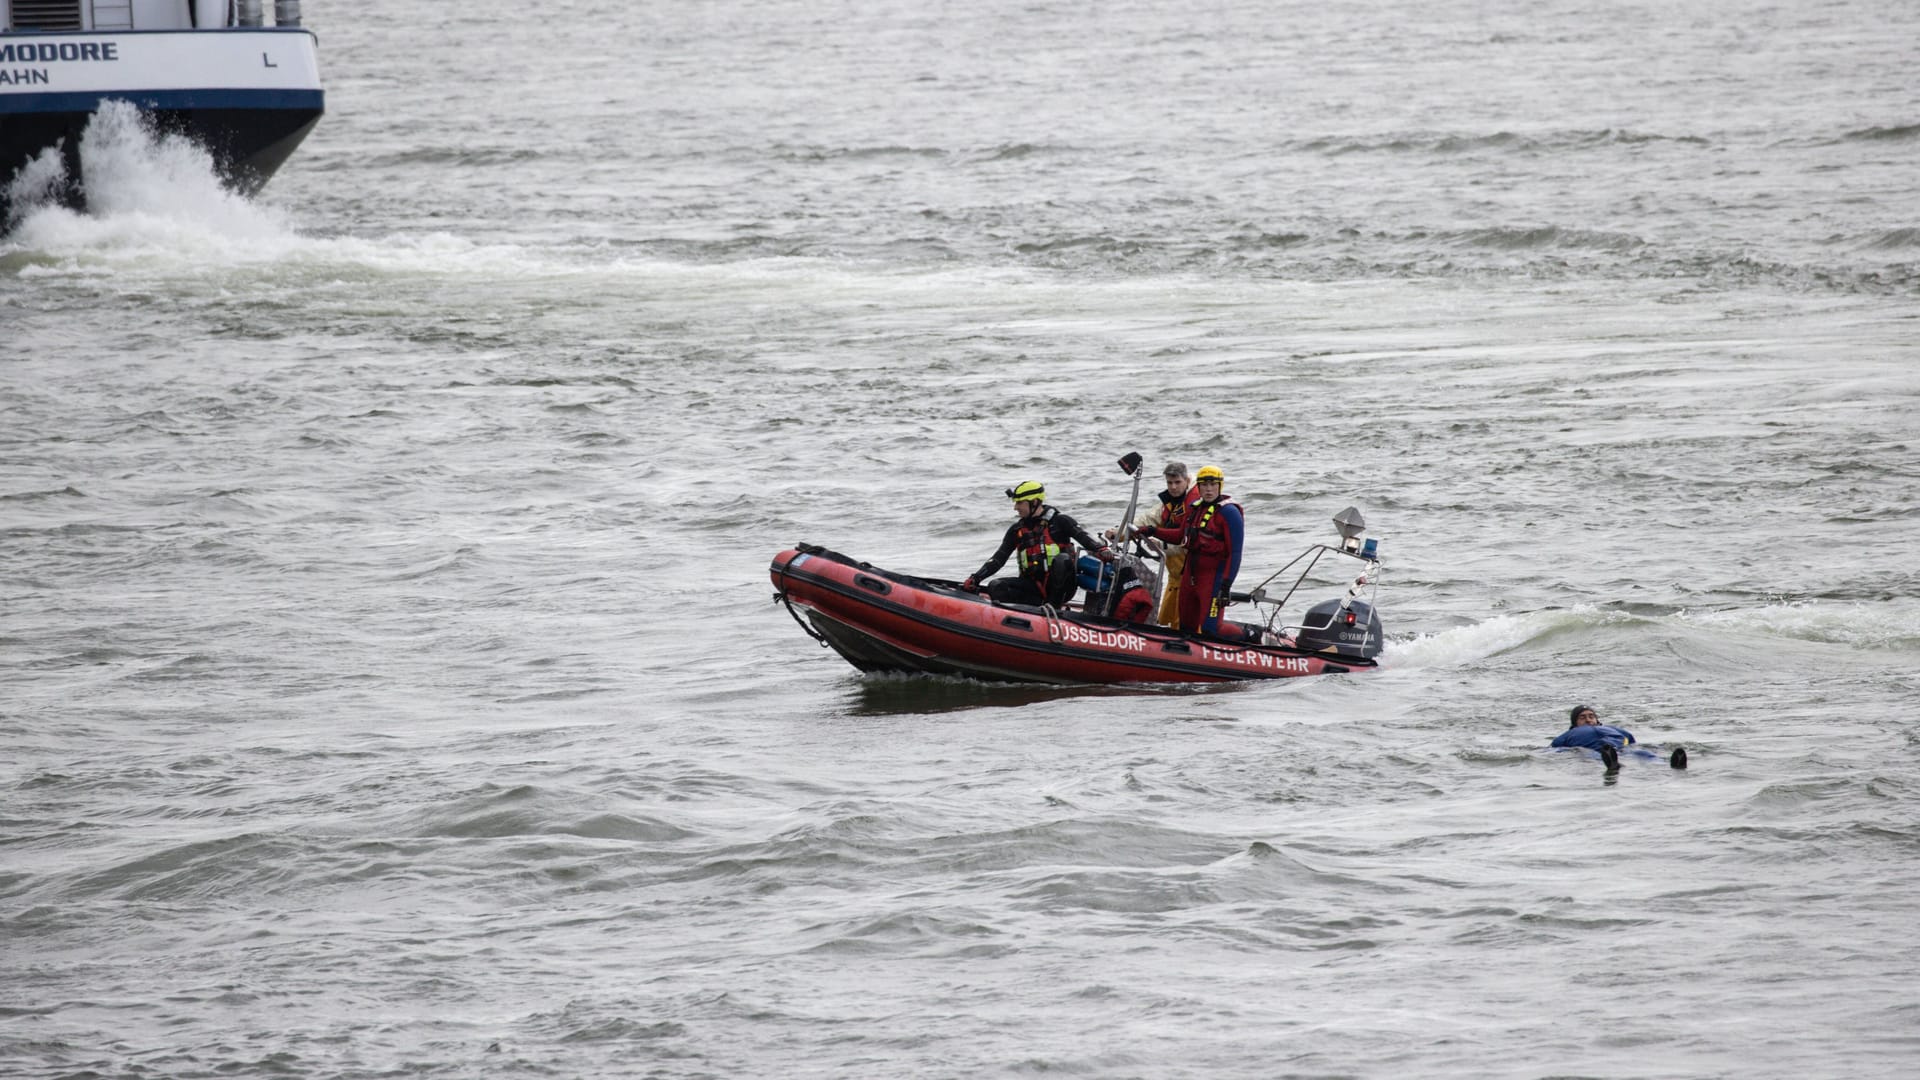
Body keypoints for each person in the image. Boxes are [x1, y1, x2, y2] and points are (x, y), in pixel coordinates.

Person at [1132, 464, 1242, 635]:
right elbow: (1179, 536)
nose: (1208, 489)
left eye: (1213, 484)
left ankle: (1250, 635)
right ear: (1198, 486)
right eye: (1204, 485)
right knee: (1185, 626)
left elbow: (1235, 553)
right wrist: (1153, 531)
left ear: (1220, 485)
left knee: (1210, 629)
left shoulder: (1229, 512)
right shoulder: (1194, 508)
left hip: (1213, 578)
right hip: (1190, 576)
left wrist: (1226, 586)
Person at [962, 480, 1110, 608]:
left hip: (1062, 587)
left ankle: (1053, 607)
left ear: (1034, 502)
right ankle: (1031, 614)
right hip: (1032, 587)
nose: (1015, 507)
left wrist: (1101, 549)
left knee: (1062, 560)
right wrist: (976, 578)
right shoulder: (1016, 530)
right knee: (996, 587)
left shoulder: (1060, 521)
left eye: (1019, 503)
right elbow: (999, 558)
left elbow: (1083, 537)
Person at [1110, 461, 1198, 626]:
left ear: (1186, 480)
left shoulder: (1195, 506)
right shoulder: (1168, 505)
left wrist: (1160, 545)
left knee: (1185, 623)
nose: (1173, 487)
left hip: (1192, 577)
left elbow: (1186, 541)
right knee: (1164, 619)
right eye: (1169, 483)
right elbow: (1146, 519)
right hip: (1175, 577)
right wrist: (1119, 533)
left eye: (1177, 482)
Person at [1552, 705, 1688, 772]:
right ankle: (1613, 764)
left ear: (1597, 719)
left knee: (1641, 753)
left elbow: (1633, 743)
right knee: (1593, 754)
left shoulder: (1616, 729)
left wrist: (1658, 747)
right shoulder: (1568, 735)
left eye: (1591, 716)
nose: (1588, 720)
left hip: (1621, 749)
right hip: (1592, 750)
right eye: (1582, 717)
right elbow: (1554, 749)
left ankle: (1669, 765)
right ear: (1574, 722)